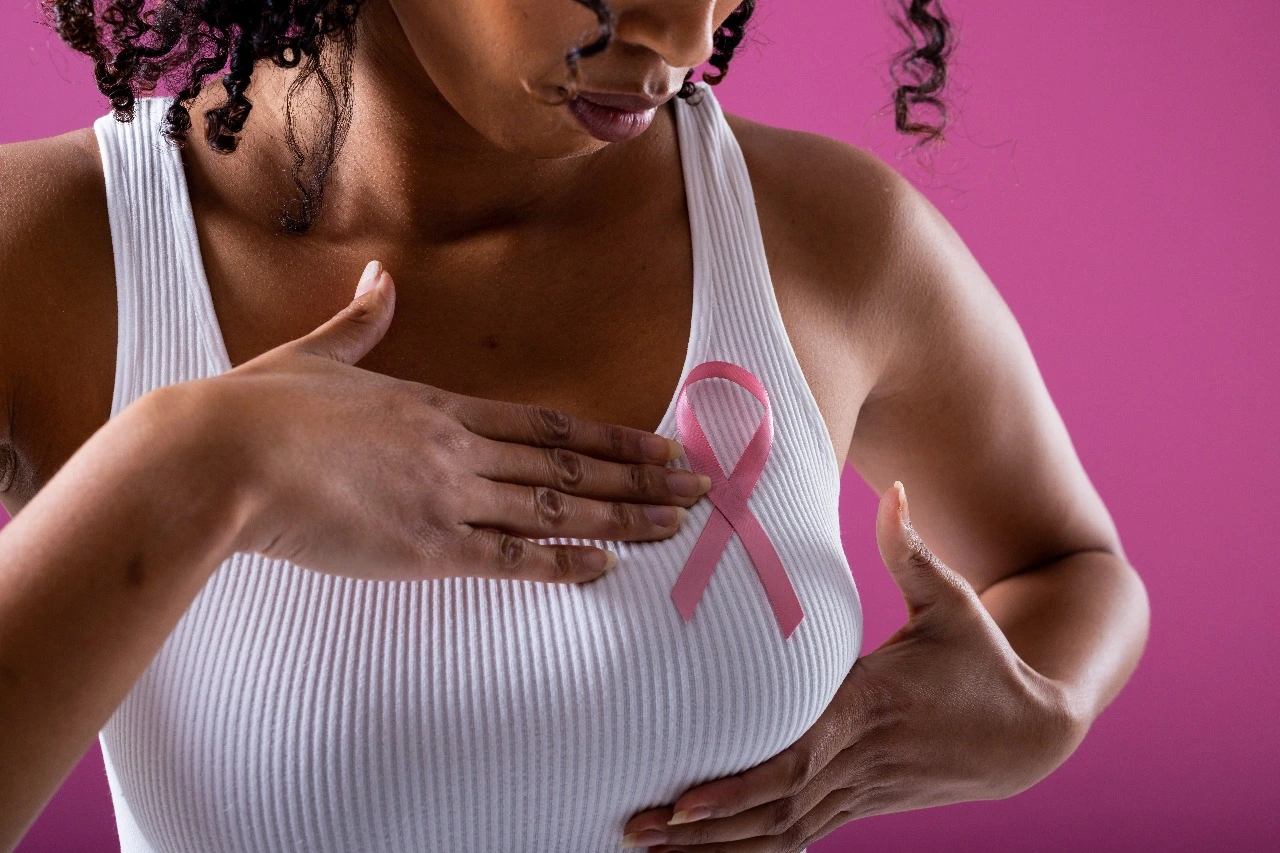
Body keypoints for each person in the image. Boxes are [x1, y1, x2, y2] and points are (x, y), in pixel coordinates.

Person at [0, 1, 1151, 851]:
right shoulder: (49, 260)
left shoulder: (828, 239)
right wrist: (195, 463)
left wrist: (1043, 711)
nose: (686, 33)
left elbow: (1071, 566)